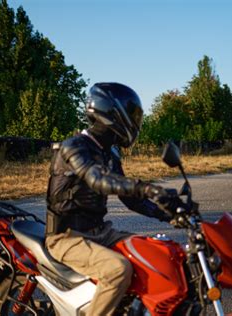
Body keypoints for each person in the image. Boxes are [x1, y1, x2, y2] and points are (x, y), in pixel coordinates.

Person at [45, 82, 180, 315]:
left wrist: (171, 214)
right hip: (66, 238)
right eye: (132, 115)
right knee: (117, 269)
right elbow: (97, 180)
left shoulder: (110, 152)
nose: (135, 122)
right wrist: (147, 188)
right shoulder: (74, 146)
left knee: (155, 253)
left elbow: (131, 200)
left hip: (99, 232)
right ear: (112, 112)